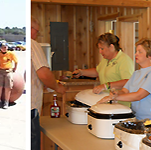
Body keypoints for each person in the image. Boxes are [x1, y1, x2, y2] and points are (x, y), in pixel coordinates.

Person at [96, 39, 151, 123]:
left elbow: (139, 95)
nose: (136, 54)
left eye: (140, 52)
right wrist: (116, 93)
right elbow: (125, 91)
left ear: (150, 55)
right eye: (136, 51)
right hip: (138, 119)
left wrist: (114, 97)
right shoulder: (136, 73)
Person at [31, 16, 66, 150]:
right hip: (31, 109)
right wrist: (57, 87)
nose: (36, 34)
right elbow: (44, 73)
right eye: (37, 31)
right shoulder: (33, 44)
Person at [72, 33, 134, 107]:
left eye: (102, 49)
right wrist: (81, 72)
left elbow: (128, 82)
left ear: (111, 47)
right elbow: (98, 71)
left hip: (120, 104)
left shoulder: (124, 60)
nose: (100, 52)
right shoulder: (105, 59)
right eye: (99, 49)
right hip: (106, 101)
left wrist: (106, 86)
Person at [0, 43, 19, 109]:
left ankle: (6, 101)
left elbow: (16, 61)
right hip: (1, 71)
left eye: (5, 47)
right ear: (0, 48)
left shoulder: (11, 54)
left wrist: (14, 68)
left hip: (8, 71)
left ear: (7, 47)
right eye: (2, 47)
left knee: (8, 87)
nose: (4, 48)